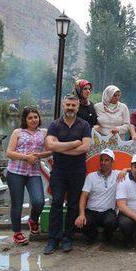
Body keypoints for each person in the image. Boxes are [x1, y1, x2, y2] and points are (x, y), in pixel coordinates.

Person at [44, 94, 92, 255]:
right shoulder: (54, 125)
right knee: (56, 203)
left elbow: (85, 148)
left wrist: (61, 147)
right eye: (68, 105)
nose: (70, 108)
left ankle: (67, 238)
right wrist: (73, 144)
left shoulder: (84, 125)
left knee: (73, 204)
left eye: (73, 105)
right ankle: (53, 239)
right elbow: (50, 146)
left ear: (78, 108)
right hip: (59, 170)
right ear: (63, 106)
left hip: (77, 171)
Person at [5, 106, 50, 245]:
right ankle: (17, 233)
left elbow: (50, 151)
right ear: (25, 119)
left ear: (39, 118)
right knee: (17, 203)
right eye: (30, 118)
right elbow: (9, 153)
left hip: (33, 173)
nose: (33, 120)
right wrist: (26, 157)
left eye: (35, 117)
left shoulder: (44, 133)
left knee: (39, 201)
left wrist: (39, 155)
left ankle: (33, 220)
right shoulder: (17, 132)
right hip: (15, 172)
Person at [74, 149, 119, 244]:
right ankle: (92, 236)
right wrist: (81, 214)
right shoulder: (91, 176)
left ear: (112, 162)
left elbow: (135, 170)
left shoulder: (117, 175)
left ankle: (106, 236)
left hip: (108, 211)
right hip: (91, 211)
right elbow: (84, 196)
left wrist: (124, 170)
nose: (103, 162)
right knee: (82, 222)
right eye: (101, 160)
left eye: (107, 160)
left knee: (112, 222)